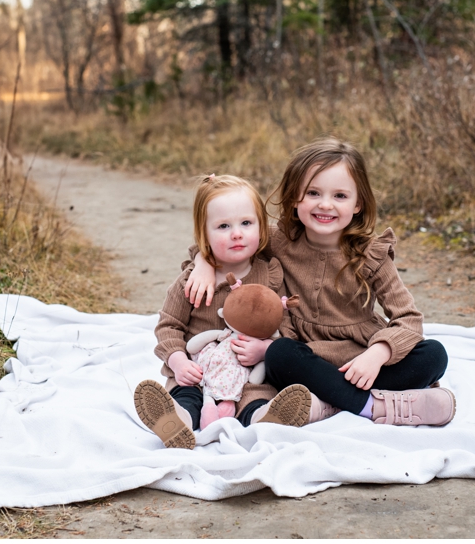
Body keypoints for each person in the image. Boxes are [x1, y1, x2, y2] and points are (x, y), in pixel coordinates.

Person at [186, 138, 454, 427]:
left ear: (358, 204)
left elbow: (408, 319)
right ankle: (374, 407)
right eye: (313, 193)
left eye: (340, 196)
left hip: (359, 362)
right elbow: (227, 247)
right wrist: (203, 262)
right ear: (294, 198)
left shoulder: (371, 255)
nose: (325, 204)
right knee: (277, 353)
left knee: (434, 355)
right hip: (302, 359)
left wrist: (378, 354)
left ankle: (332, 403)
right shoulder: (278, 240)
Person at [133, 174, 313, 450]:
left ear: (261, 227)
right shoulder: (192, 281)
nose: (237, 233)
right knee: (187, 395)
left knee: (256, 397)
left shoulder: (270, 277)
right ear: (204, 233)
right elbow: (169, 325)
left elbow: (287, 325)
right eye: (223, 226)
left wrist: (266, 347)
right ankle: (175, 421)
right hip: (198, 371)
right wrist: (178, 361)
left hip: (248, 373)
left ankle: (268, 420)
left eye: (246, 223)